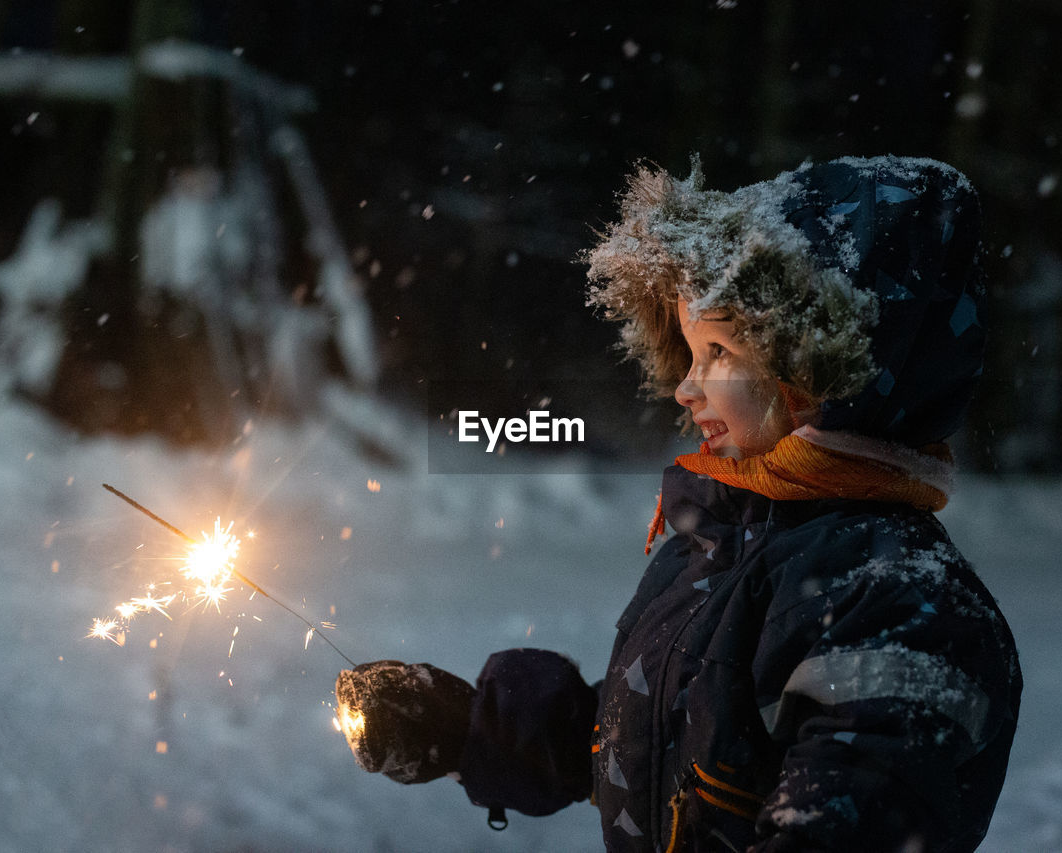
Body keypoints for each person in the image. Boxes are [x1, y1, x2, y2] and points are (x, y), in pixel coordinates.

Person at [335, 155, 1022, 852]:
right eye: (687, 353)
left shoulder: (899, 605)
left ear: (823, 368)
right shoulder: (727, 541)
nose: (685, 389)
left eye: (719, 349)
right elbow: (671, 733)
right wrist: (471, 727)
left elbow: (849, 818)